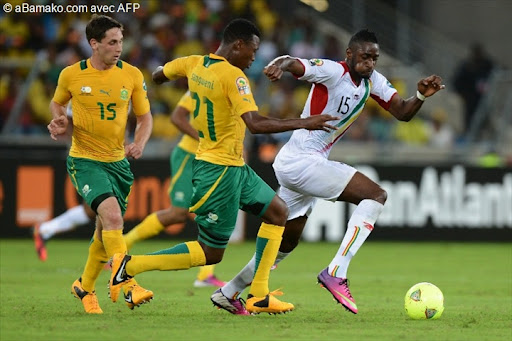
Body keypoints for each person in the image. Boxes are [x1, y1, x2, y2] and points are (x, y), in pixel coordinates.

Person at [108, 18, 336, 315]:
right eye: (252, 51)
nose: (254, 58)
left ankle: (259, 294)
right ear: (237, 45)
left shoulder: (194, 63)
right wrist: (306, 122)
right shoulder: (234, 77)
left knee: (279, 212)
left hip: (234, 167)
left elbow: (158, 74)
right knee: (210, 252)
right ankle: (132, 264)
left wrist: (164, 79)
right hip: (217, 172)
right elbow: (254, 124)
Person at [215, 29, 445, 315]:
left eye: (374, 58)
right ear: (349, 54)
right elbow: (296, 63)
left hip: (299, 164)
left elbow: (401, 111)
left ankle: (229, 291)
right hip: (302, 161)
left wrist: (421, 95)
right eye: (364, 56)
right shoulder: (333, 72)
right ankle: (336, 271)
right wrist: (280, 65)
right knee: (375, 196)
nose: (370, 63)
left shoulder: (373, 81)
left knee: (286, 241)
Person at [47, 15, 154, 314]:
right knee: (113, 217)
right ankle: (125, 283)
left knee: (103, 232)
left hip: (117, 163)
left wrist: (140, 142)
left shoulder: (131, 75)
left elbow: (145, 117)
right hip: (84, 159)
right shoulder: (72, 75)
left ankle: (85, 286)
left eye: (120, 41)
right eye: (112, 42)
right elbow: (57, 103)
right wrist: (58, 119)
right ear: (94, 44)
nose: (119, 47)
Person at [123, 91, 226, 288]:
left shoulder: (234, 87)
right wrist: (203, 139)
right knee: (178, 213)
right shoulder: (200, 85)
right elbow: (176, 117)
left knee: (215, 211)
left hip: (212, 160)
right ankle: (125, 242)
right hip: (188, 156)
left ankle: (206, 274)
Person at [453, 43, 494, 133]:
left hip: (481, 97)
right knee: (470, 116)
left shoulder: (486, 64)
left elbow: (495, 70)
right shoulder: (467, 65)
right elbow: (458, 80)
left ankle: (482, 133)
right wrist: (461, 92)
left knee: (483, 115)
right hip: (469, 96)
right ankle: (469, 133)